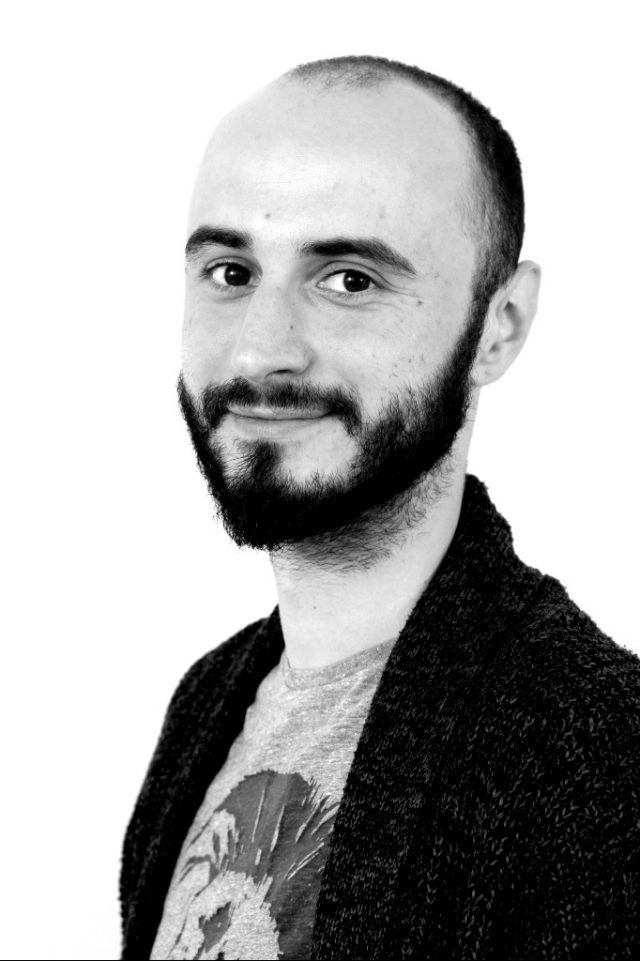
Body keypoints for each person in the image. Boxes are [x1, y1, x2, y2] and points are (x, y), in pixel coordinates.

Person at [120, 55, 640, 959]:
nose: (261, 351)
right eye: (231, 271)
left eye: (350, 279)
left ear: (501, 325)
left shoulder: (598, 759)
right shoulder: (206, 701)